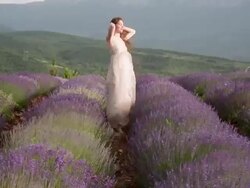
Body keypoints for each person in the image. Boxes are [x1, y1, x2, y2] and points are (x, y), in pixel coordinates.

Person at [105, 17, 136, 134]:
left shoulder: (122, 39)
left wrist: (121, 27)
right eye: (120, 24)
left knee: (126, 92)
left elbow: (133, 31)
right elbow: (111, 28)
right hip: (117, 69)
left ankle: (124, 120)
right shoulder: (111, 39)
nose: (122, 26)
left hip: (126, 69)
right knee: (117, 92)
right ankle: (116, 122)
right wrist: (114, 25)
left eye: (123, 24)